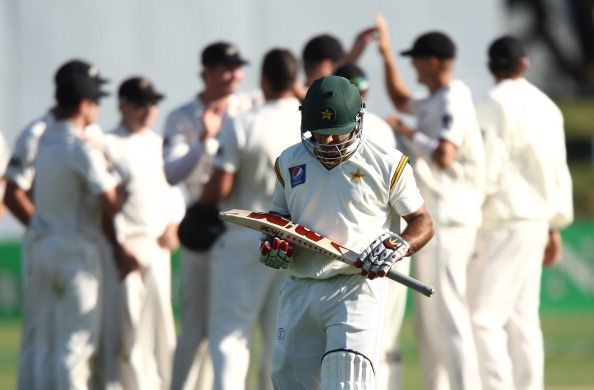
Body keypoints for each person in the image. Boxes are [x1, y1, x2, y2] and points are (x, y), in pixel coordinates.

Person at [260, 75, 434, 389]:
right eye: (319, 134)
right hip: (300, 285)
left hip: (356, 287)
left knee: (347, 379)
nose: (327, 144)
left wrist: (400, 246)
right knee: (289, 381)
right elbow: (279, 217)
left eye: (336, 134)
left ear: (357, 121)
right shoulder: (289, 161)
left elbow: (422, 222)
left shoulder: (386, 162)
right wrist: (275, 243)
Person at [375, 15, 485, 390]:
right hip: (437, 223)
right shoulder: (437, 98)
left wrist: (406, 131)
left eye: (415, 61)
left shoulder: (454, 96)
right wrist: (386, 54)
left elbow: (444, 155)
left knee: (450, 315)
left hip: (452, 221)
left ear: (432, 62)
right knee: (428, 321)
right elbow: (401, 99)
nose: (413, 68)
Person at [469, 36, 574, 390]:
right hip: (536, 221)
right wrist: (554, 226)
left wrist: (472, 216)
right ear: (525, 64)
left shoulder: (492, 103)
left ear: (490, 66)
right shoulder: (547, 105)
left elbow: (488, 170)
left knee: (484, 318)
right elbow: (559, 171)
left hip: (503, 220)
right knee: (523, 318)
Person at [2, 59, 113, 390]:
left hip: (67, 241)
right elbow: (12, 192)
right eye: (92, 99)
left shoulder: (90, 133)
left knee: (68, 344)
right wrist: (42, 226)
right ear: (78, 99)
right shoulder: (38, 133)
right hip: (58, 243)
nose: (97, 106)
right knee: (45, 339)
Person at [198, 48, 302, 390]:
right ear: (295, 80)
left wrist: (200, 203)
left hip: (245, 235)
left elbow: (219, 189)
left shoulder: (243, 122)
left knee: (230, 336)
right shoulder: (308, 126)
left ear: (264, 80)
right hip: (293, 239)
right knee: (279, 338)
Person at [27, 70, 138, 389]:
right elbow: (112, 202)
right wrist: (124, 178)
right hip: (75, 252)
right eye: (95, 102)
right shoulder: (82, 147)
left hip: (44, 248)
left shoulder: (45, 141)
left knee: (48, 345)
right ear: (82, 106)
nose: (98, 110)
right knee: (76, 347)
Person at [163, 41, 262, 390]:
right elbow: (171, 173)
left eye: (238, 66)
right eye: (225, 67)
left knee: (240, 328)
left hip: (242, 227)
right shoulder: (182, 116)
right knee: (195, 327)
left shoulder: (252, 105)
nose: (234, 73)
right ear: (205, 72)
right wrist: (204, 141)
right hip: (203, 225)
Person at [103, 77, 184, 390]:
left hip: (158, 245)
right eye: (140, 103)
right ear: (122, 104)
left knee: (162, 326)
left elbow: (173, 192)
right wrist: (120, 245)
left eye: (152, 102)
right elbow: (105, 204)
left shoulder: (158, 143)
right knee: (129, 328)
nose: (148, 109)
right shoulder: (109, 143)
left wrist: (174, 226)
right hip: (127, 249)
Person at [334, 62, 409, 390]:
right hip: (381, 243)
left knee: (370, 340)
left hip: (363, 249)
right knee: (379, 337)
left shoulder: (363, 128)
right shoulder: (380, 126)